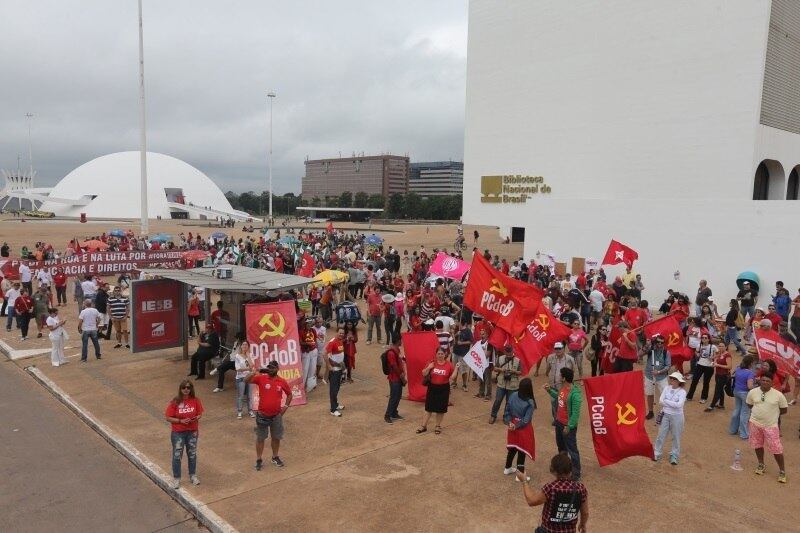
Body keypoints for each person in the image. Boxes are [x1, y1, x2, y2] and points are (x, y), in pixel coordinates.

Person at [517, 452, 588, 533]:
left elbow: (531, 501)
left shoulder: (550, 488)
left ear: (553, 471)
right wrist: (583, 524)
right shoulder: (581, 489)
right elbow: (585, 512)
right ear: (570, 470)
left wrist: (524, 481)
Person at [247, 360, 292, 470]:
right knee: (260, 438)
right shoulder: (261, 378)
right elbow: (246, 380)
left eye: (272, 368)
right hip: (262, 414)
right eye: (269, 367)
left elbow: (290, 394)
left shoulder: (282, 381)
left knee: (276, 437)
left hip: (277, 415)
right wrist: (254, 372)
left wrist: (285, 407)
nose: (270, 369)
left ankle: (275, 457)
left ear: (277, 369)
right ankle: (259, 459)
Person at [746, 372, 788, 483]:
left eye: (767, 381)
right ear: (760, 380)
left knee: (776, 449)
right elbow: (750, 405)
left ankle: (782, 471)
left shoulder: (778, 395)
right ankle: (761, 464)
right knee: (757, 445)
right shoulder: (752, 392)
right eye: (763, 380)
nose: (764, 382)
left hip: (771, 426)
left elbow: (783, 410)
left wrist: (770, 415)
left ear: (772, 383)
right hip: (755, 423)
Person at [164, 380, 204, 488]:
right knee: (177, 455)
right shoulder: (175, 402)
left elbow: (200, 413)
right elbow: (168, 417)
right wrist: (180, 421)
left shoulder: (195, 400)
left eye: (188, 387)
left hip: (192, 431)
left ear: (191, 389)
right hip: (178, 433)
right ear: (180, 389)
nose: (186, 390)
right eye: (184, 388)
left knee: (192, 454)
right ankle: (177, 478)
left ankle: (193, 475)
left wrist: (196, 417)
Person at [546, 367, 582, 480]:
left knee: (572, 449)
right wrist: (549, 390)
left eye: (560, 375)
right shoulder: (563, 388)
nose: (559, 377)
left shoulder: (575, 394)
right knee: (561, 447)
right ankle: (563, 468)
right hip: (559, 423)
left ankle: (576, 473)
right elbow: (559, 397)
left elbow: (575, 414)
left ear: (564, 378)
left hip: (567, 426)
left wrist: (569, 426)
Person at [417, 347, 456, 435]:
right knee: (428, 408)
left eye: (442, 354)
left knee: (440, 409)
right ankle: (423, 426)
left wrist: (457, 368)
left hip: (444, 388)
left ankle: (438, 426)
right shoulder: (431, 363)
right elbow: (423, 373)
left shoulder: (449, 365)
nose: (440, 355)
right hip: (432, 387)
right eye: (438, 354)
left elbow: (453, 377)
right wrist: (429, 367)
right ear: (436, 354)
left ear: (445, 354)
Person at [504, 377, 536, 479]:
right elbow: (526, 420)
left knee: (513, 448)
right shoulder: (530, 402)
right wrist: (517, 426)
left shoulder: (513, 395)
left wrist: (510, 423)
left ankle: (507, 468)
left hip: (512, 425)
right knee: (522, 450)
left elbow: (507, 410)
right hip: (523, 429)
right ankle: (520, 475)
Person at [654, 372, 687, 465]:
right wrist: (672, 403)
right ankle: (657, 452)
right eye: (671, 378)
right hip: (665, 415)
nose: (671, 380)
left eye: (674, 379)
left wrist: (666, 401)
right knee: (661, 435)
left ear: (678, 381)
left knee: (676, 436)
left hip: (677, 417)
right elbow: (660, 401)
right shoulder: (666, 388)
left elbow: (679, 405)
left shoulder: (682, 392)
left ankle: (674, 455)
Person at [543, 343, 576, 420]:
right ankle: (556, 419)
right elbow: (547, 369)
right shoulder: (550, 358)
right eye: (556, 348)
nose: (557, 350)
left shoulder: (570, 359)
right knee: (554, 403)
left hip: (565, 387)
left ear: (564, 349)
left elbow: (573, 371)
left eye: (559, 348)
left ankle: (566, 418)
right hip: (553, 385)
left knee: (565, 403)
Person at [490, 345, 522, 424]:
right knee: (497, 400)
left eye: (510, 352)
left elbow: (520, 372)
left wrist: (513, 371)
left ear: (512, 351)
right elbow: (495, 368)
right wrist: (502, 370)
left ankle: (506, 417)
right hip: (501, 383)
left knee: (509, 402)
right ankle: (493, 415)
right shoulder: (500, 358)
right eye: (507, 352)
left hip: (512, 385)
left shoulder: (517, 360)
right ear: (505, 351)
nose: (508, 354)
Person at [644, 334, 671, 419]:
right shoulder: (650, 349)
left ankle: (665, 413)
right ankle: (651, 412)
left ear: (664, 343)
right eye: (658, 342)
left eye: (661, 343)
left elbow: (668, 366)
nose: (659, 344)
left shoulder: (666, 352)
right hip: (649, 376)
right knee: (650, 394)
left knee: (665, 395)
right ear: (655, 342)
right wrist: (647, 345)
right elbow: (640, 354)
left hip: (661, 377)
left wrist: (658, 372)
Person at [729, 355, 756, 439]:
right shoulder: (750, 373)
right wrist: (756, 385)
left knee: (737, 410)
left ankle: (732, 429)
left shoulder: (738, 369)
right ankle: (744, 434)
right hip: (745, 394)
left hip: (736, 391)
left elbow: (733, 376)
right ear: (751, 363)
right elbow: (750, 386)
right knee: (745, 413)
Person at [686, 333, 716, 403]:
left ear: (709, 339)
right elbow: (696, 352)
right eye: (702, 338)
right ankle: (689, 396)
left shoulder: (713, 346)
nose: (704, 339)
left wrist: (713, 357)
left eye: (705, 338)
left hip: (709, 366)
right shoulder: (699, 345)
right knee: (694, 381)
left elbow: (718, 353)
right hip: (700, 365)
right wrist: (697, 354)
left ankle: (704, 398)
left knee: (706, 382)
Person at [384, 337, 407, 424]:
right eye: (400, 340)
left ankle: (393, 413)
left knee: (398, 396)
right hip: (394, 378)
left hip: (397, 378)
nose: (401, 341)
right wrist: (401, 376)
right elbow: (394, 366)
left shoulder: (396, 350)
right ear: (397, 341)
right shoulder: (391, 352)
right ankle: (387, 415)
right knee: (394, 396)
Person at [325, 328, 347, 417]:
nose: (341, 334)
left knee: (337, 387)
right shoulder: (332, 342)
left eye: (343, 333)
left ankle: (336, 404)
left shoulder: (340, 341)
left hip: (339, 368)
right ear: (336, 332)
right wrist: (329, 366)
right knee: (333, 390)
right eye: (340, 333)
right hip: (334, 370)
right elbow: (324, 354)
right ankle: (333, 409)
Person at [707, 339, 732, 411]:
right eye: (719, 346)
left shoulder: (728, 355)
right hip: (718, 374)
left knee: (717, 390)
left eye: (722, 346)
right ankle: (721, 404)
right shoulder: (720, 354)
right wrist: (714, 362)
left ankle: (711, 406)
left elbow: (729, 367)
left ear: (726, 347)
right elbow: (713, 360)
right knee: (720, 390)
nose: (720, 347)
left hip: (724, 375)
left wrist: (718, 365)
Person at [234, 341, 254, 419]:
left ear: (248, 346)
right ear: (241, 346)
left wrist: (248, 355)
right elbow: (238, 369)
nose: (244, 346)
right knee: (240, 396)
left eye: (246, 345)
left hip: (250, 377)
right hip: (241, 378)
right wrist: (248, 368)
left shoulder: (251, 355)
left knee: (249, 396)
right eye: (243, 344)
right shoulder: (237, 356)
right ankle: (239, 411)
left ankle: (250, 411)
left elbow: (252, 365)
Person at [452, 321, 473, 391]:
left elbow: (470, 341)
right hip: (455, 352)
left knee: (463, 370)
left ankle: (464, 385)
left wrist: (462, 343)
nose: (457, 324)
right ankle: (454, 383)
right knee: (455, 368)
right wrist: (456, 334)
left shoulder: (468, 331)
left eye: (458, 323)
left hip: (463, 353)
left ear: (462, 323)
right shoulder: (457, 329)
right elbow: (453, 339)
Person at [299, 318, 318, 391]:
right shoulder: (301, 332)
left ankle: (311, 385)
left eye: (310, 323)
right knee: (305, 369)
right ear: (305, 324)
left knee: (313, 369)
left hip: (313, 351)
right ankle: (302, 387)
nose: (309, 325)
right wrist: (307, 344)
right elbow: (300, 342)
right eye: (307, 323)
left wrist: (315, 347)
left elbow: (315, 340)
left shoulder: (313, 330)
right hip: (306, 352)